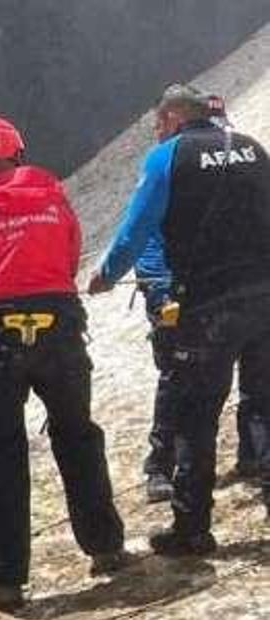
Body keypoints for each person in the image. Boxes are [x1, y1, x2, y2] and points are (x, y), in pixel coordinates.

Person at [0, 117, 128, 611]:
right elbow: (69, 260)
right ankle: (106, 546)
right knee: (77, 436)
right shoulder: (54, 200)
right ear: (19, 152)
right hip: (60, 331)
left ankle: (6, 578)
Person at [89, 84, 270, 550]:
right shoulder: (251, 148)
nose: (156, 132)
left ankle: (192, 528)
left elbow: (136, 229)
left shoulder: (167, 158)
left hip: (207, 306)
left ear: (172, 117)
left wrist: (106, 274)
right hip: (264, 295)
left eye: (157, 124)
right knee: (265, 399)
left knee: (196, 414)